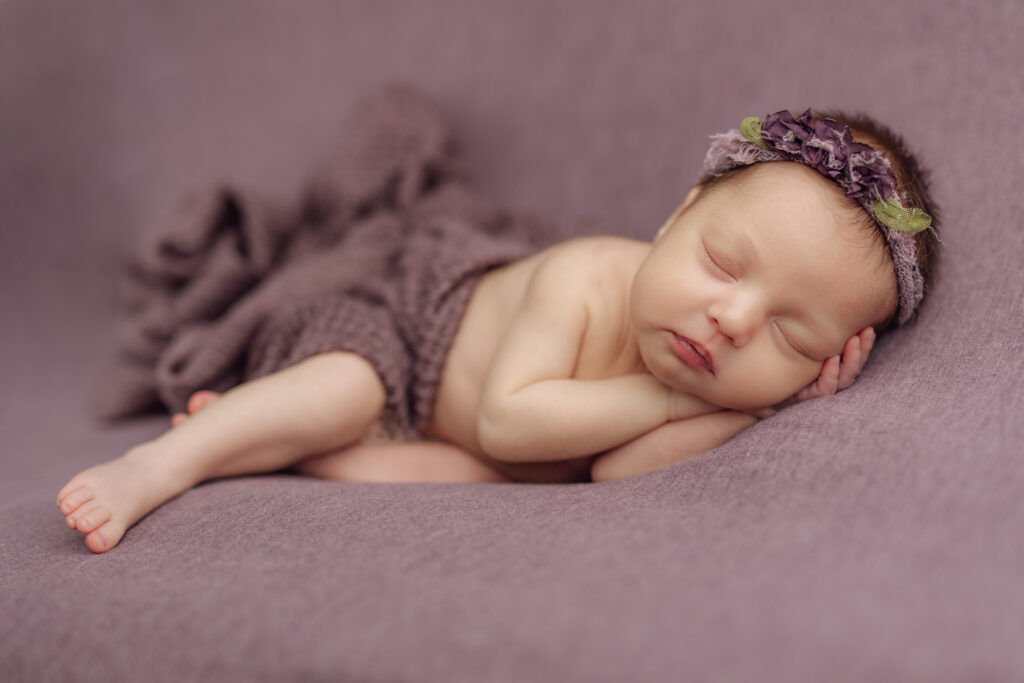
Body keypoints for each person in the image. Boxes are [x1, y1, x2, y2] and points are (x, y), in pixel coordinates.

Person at [57, 108, 940, 553]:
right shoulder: (584, 276)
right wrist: (674, 393)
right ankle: (165, 462)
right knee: (350, 386)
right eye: (721, 262)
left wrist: (760, 411)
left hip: (470, 444)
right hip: (408, 328)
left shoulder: (719, 379)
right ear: (676, 217)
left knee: (470, 479)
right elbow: (510, 420)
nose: (735, 321)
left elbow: (614, 470)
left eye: (789, 335)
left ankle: (269, 431)